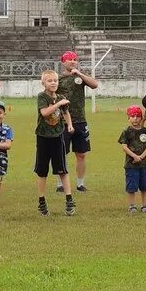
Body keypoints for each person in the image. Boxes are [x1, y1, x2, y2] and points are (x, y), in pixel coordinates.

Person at [55, 51, 98, 192]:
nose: (72, 62)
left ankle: (80, 183)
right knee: (62, 152)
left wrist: (79, 74)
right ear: (63, 62)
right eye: (69, 59)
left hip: (80, 120)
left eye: (74, 59)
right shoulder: (58, 78)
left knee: (81, 154)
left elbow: (94, 85)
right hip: (62, 121)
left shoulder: (81, 77)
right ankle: (60, 184)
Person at [35, 70, 75, 217]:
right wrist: (59, 103)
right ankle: (42, 201)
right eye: (49, 80)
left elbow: (65, 112)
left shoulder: (61, 97)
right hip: (43, 137)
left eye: (55, 80)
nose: (53, 83)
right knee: (42, 171)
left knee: (62, 169)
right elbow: (45, 112)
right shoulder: (42, 97)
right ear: (43, 83)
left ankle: (69, 200)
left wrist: (69, 125)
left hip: (58, 137)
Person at [118, 104, 146, 214]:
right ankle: (132, 205)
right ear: (128, 118)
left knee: (144, 186)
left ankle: (144, 205)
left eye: (137, 116)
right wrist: (134, 156)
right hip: (131, 165)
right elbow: (124, 146)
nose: (135, 119)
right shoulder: (126, 131)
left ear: (141, 118)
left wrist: (142, 156)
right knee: (131, 186)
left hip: (143, 164)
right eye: (132, 116)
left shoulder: (145, 131)